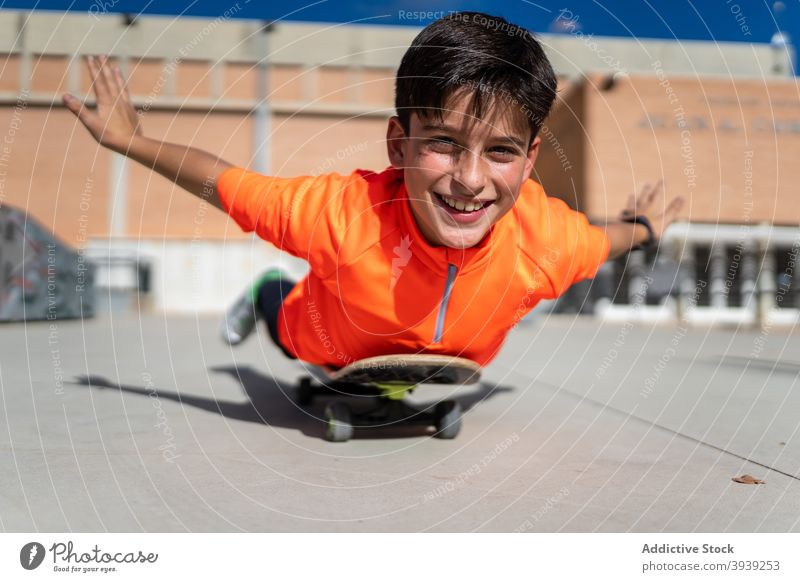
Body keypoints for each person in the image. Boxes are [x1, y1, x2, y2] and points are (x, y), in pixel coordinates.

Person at [63, 12, 683, 368]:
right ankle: (263, 297)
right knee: (285, 316)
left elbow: (603, 241)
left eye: (499, 152)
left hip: (435, 355)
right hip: (319, 334)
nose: (469, 181)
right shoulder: (342, 215)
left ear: (529, 162)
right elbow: (227, 183)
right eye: (443, 143)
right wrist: (131, 142)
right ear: (398, 145)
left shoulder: (545, 241)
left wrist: (645, 228)